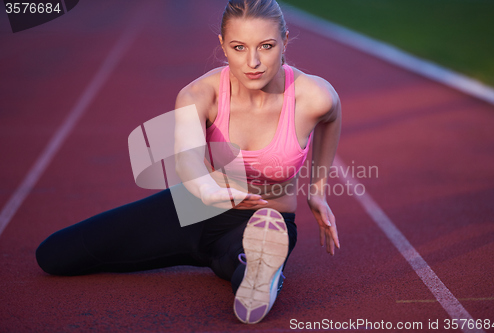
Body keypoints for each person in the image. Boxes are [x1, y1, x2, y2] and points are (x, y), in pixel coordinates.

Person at [36, 0, 341, 324]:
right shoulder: (199, 94)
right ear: (223, 45)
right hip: (195, 208)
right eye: (239, 47)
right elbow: (187, 160)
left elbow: (332, 118)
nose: (253, 62)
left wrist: (316, 190)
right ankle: (254, 266)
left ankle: (262, 271)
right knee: (55, 256)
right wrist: (208, 191)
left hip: (267, 218)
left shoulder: (313, 96)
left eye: (266, 46)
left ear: (285, 41)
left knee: (246, 266)